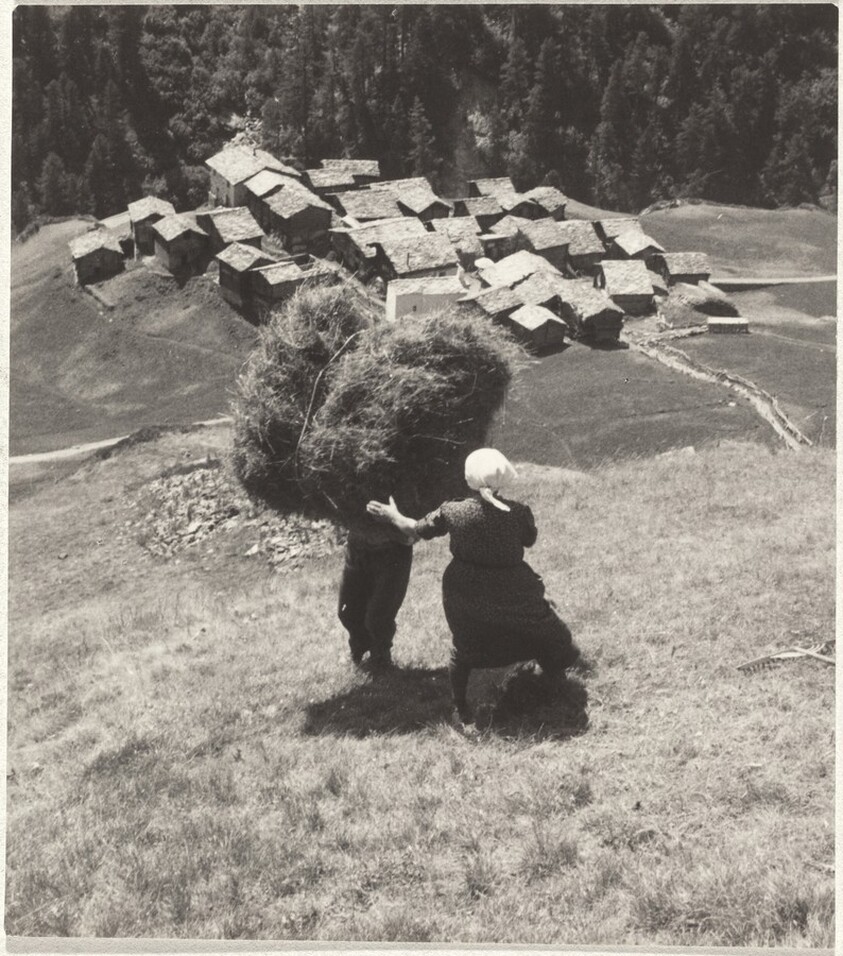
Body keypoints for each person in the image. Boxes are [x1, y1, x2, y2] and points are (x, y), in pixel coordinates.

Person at [367, 448, 579, 724]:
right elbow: (529, 540)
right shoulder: (519, 513)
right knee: (564, 646)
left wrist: (391, 514)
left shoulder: (452, 511)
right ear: (503, 478)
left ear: (469, 480)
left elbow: (414, 528)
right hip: (515, 590)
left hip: (464, 593)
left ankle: (460, 704)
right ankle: (547, 677)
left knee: (463, 647)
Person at [337, 523, 414, 673]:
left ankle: (380, 658)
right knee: (347, 612)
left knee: (378, 615)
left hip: (392, 550)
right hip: (358, 547)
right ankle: (360, 648)